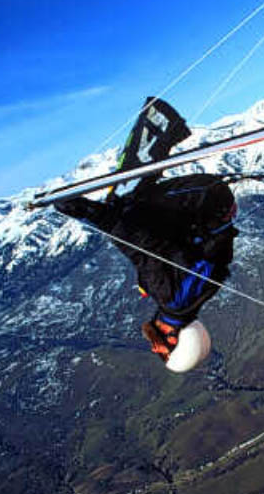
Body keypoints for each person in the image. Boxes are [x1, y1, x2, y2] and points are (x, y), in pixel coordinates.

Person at [54, 99, 237, 373]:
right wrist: (85, 211)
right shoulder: (171, 297)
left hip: (212, 207)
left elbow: (179, 254)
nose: (154, 349)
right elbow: (140, 243)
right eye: (162, 352)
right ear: (173, 339)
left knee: (132, 207)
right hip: (205, 200)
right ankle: (162, 124)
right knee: (125, 205)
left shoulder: (189, 300)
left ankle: (167, 130)